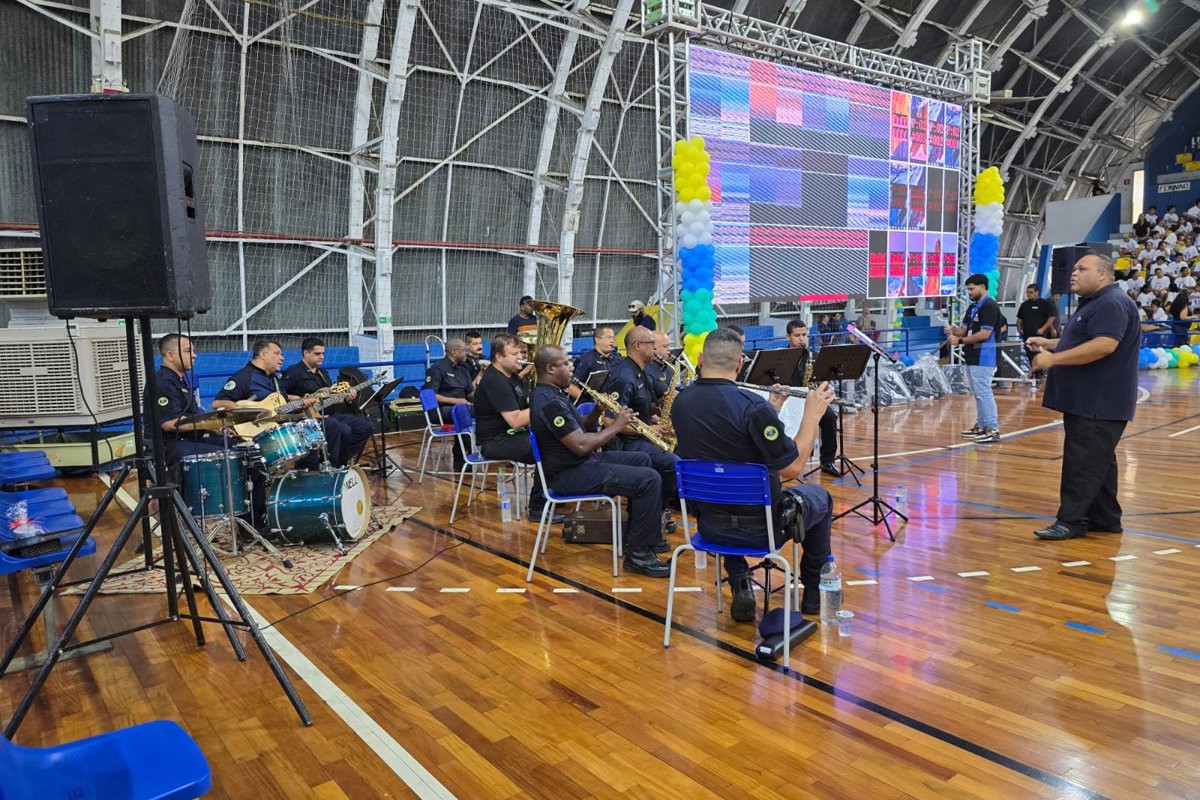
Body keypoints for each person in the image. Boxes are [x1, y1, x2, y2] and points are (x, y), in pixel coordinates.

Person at [671, 328, 836, 621]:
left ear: (700, 359)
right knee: (821, 497)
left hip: (710, 526)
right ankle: (813, 593)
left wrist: (771, 411)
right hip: (763, 529)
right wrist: (812, 415)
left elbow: (727, 443)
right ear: (739, 365)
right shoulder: (752, 407)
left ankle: (740, 583)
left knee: (722, 492)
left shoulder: (681, 402)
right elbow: (793, 468)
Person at [1026, 253, 1140, 540]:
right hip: (1091, 402)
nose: (1073, 273)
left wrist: (1053, 359)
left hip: (1098, 402)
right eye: (1074, 268)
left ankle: (1072, 521)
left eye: (1082, 268)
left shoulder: (1111, 303)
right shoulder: (1097, 303)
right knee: (1098, 460)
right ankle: (1105, 519)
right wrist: (1051, 342)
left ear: (1102, 274)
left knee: (1082, 462)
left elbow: (1103, 345)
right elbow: (1085, 338)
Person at [531, 345, 670, 577]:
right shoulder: (549, 402)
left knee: (642, 459)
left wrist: (597, 411)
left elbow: (582, 429)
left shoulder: (555, 394)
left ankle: (636, 536)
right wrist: (617, 425)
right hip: (567, 475)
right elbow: (581, 444)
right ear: (550, 369)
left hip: (581, 463)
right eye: (565, 363)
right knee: (649, 479)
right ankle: (639, 555)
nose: (571, 367)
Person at [214, 338, 342, 472]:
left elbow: (281, 405)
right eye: (277, 353)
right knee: (313, 436)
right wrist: (253, 412)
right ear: (263, 355)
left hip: (279, 427)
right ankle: (306, 477)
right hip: (260, 436)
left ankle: (325, 472)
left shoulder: (274, 379)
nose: (282, 358)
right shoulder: (245, 377)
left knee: (325, 427)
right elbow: (218, 403)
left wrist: (301, 402)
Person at [601, 326, 679, 539]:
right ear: (637, 346)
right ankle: (651, 516)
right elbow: (610, 421)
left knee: (678, 455)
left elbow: (639, 409)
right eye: (651, 343)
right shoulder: (624, 376)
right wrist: (648, 429)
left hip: (640, 436)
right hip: (625, 443)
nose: (655, 348)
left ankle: (652, 514)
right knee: (672, 464)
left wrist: (656, 415)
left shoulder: (641, 370)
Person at [472, 335, 553, 520]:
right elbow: (515, 420)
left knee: (557, 440)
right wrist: (547, 404)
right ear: (499, 357)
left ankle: (553, 493)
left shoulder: (514, 377)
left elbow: (526, 409)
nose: (521, 357)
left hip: (512, 435)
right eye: (514, 353)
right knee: (548, 449)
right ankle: (538, 507)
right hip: (494, 441)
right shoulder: (495, 380)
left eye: (521, 353)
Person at [280, 337, 374, 467]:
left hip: (329, 413)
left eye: (323, 353)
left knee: (365, 427)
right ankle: (331, 465)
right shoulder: (294, 372)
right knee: (344, 430)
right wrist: (300, 399)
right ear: (306, 353)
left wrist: (346, 398)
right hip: (307, 418)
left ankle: (338, 463)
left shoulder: (323, 373)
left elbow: (333, 397)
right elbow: (280, 394)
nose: (322, 357)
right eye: (317, 354)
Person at [146, 333, 221, 467]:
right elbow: (170, 424)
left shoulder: (178, 380)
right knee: (226, 453)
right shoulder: (162, 383)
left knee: (236, 445)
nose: (194, 355)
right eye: (187, 351)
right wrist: (208, 425)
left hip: (189, 441)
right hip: (171, 446)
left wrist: (215, 426)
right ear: (170, 356)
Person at [944, 274, 1002, 442]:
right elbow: (964, 329)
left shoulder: (989, 306)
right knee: (978, 393)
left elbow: (984, 334)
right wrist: (954, 331)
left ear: (982, 287)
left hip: (984, 357)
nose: (969, 292)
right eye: (967, 289)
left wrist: (960, 341)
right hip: (972, 356)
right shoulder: (973, 307)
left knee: (983, 392)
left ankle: (991, 428)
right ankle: (982, 425)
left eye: (971, 289)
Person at [784, 320, 840, 476]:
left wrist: (827, 389)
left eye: (804, 335)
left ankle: (827, 462)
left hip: (810, 399)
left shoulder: (813, 356)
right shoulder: (781, 357)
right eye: (797, 335)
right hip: (788, 400)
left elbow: (822, 380)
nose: (802, 339)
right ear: (788, 336)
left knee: (830, 417)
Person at [423, 338, 474, 469]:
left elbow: (470, 394)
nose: (467, 352)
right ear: (454, 352)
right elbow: (430, 395)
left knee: (487, 409)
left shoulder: (463, 369)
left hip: (462, 407)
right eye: (464, 350)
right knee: (463, 412)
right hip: (441, 410)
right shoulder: (437, 369)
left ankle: (486, 449)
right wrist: (457, 401)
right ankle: (462, 455)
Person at [568, 325, 622, 400]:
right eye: (609, 337)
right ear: (597, 340)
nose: (612, 341)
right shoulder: (585, 360)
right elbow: (572, 387)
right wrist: (589, 403)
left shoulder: (618, 360)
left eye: (613, 338)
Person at [1016, 284, 1058, 375]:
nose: (1029, 294)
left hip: (1040, 337)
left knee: (1039, 356)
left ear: (1037, 292)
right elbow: (1019, 318)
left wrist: (1043, 328)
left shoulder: (1044, 303)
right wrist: (1019, 328)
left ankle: (1040, 375)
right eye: (1027, 293)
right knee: (1031, 357)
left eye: (1031, 292)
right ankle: (1035, 375)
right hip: (1027, 337)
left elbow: (1052, 317)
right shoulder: (1024, 305)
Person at [643, 330, 674, 405]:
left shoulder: (668, 367)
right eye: (665, 346)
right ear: (653, 348)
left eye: (669, 345)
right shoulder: (646, 370)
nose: (669, 349)